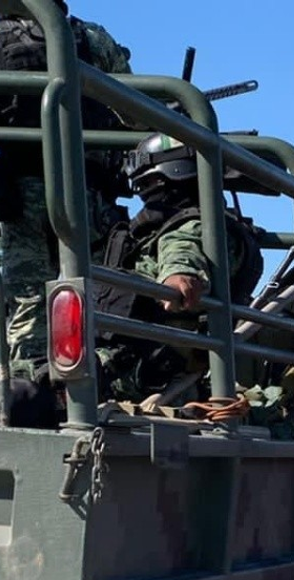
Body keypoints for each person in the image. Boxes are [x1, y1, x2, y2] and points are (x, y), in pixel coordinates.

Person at [0, 1, 132, 377]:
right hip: (85, 190)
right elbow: (133, 111)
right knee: (91, 293)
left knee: (28, 299)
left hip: (22, 188)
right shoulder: (92, 38)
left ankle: (26, 389)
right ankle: (85, 386)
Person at [95, 132, 263, 402]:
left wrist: (177, 276)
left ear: (173, 175)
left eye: (148, 181)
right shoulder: (207, 225)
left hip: (151, 376)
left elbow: (183, 251)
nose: (143, 191)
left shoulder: (191, 227)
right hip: (145, 368)